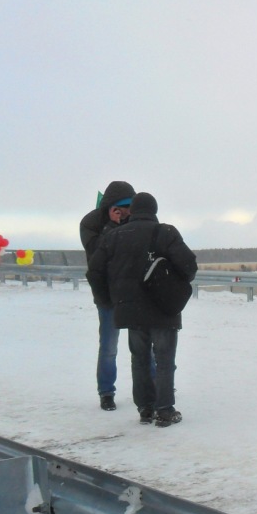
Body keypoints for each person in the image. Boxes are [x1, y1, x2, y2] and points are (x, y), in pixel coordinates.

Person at [86, 192, 197, 427]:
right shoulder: (165, 232)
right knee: (165, 361)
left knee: (140, 359)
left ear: (133, 211)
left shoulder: (114, 236)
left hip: (130, 310)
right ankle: (165, 410)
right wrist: (175, 285)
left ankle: (145, 409)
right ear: (154, 210)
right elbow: (189, 266)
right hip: (163, 308)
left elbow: (94, 271)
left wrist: (109, 299)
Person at [80, 181, 135, 410]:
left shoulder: (138, 219)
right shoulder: (91, 222)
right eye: (122, 207)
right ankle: (106, 392)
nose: (126, 211)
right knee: (109, 347)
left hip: (133, 293)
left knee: (143, 345)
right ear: (111, 206)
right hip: (107, 294)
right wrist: (112, 226)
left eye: (130, 206)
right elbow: (97, 254)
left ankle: (153, 385)